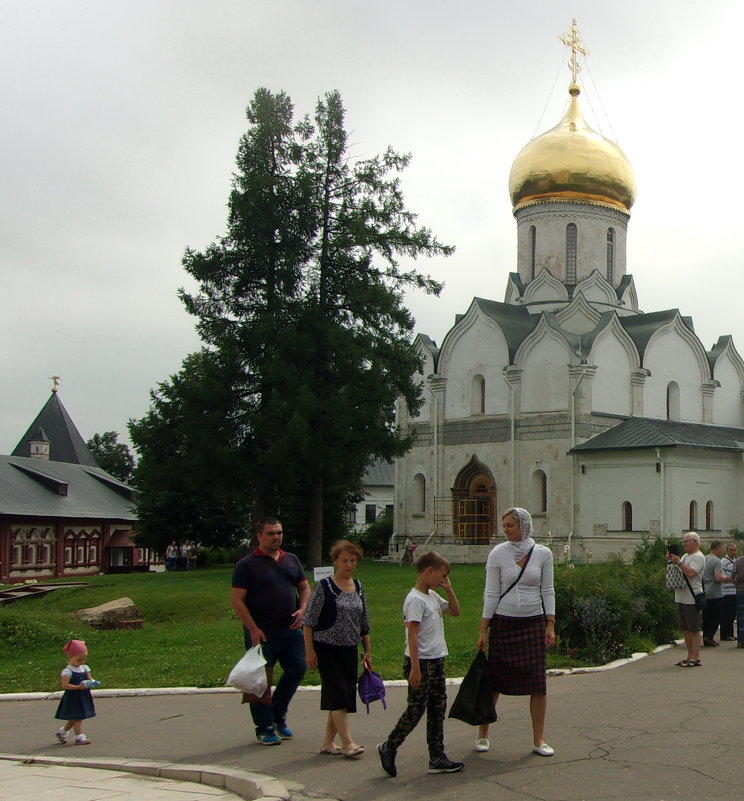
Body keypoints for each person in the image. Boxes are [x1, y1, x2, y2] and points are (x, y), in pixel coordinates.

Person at [476, 507, 556, 757]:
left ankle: (538, 739)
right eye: (504, 525)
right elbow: (491, 592)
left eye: (510, 525)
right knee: (494, 683)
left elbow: (548, 590)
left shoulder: (543, 554)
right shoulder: (498, 554)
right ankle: (483, 734)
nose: (506, 529)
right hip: (504, 622)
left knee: (538, 684)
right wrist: (483, 630)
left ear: (524, 526)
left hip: (532, 623)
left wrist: (550, 623)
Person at [377, 550, 463, 777]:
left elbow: (455, 611)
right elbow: (412, 636)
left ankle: (437, 756)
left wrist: (448, 589)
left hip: (437, 660)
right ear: (428, 571)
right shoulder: (415, 599)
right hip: (421, 663)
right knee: (416, 710)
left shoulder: (433, 597)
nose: (442, 580)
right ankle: (390, 746)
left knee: (437, 709)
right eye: (441, 576)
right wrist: (415, 669)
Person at [231, 517, 310, 745]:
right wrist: (253, 628)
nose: (276, 537)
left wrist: (302, 609)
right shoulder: (246, 565)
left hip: (291, 629)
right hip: (262, 632)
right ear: (259, 536)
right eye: (271, 534)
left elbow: (304, 588)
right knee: (260, 680)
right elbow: (237, 600)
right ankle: (264, 727)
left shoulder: (291, 560)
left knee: (297, 668)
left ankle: (278, 714)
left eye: (279, 533)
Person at [303, 540, 371, 757]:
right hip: (326, 647)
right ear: (335, 562)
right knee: (338, 692)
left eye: (353, 560)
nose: (349, 565)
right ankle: (348, 742)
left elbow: (364, 622)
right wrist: (310, 651)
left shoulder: (358, 586)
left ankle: (327, 743)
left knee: (343, 694)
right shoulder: (324, 587)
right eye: (345, 561)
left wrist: (367, 649)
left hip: (350, 647)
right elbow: (309, 621)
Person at [665, 531, 706, 666]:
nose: (684, 544)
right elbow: (678, 571)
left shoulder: (699, 557)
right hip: (681, 595)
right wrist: (671, 560)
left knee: (694, 628)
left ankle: (696, 657)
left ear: (695, 542)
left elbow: (690, 573)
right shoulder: (684, 556)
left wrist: (679, 562)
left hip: (691, 597)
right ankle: (689, 655)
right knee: (685, 628)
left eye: (686, 542)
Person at [54, 639, 100, 745]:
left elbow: (89, 678)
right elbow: (65, 685)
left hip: (83, 695)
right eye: (79, 660)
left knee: (75, 716)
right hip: (73, 696)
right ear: (70, 657)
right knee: (77, 717)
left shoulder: (84, 668)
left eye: (84, 659)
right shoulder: (68, 671)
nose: (82, 662)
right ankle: (79, 737)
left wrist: (92, 682)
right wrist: (78, 687)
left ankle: (62, 732)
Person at [702, 540, 726, 647]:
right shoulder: (717, 561)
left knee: (706, 616)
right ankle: (709, 636)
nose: (721, 551)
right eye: (721, 548)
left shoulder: (704, 559)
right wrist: (725, 578)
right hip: (715, 593)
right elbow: (717, 577)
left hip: (705, 591)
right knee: (717, 615)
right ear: (717, 548)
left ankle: (705, 638)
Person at [720, 542, 738, 641]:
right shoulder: (723, 561)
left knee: (732, 614)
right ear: (727, 551)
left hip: (734, 591)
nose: (733, 552)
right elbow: (721, 575)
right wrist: (732, 579)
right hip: (726, 592)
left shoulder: (736, 561)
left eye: (734, 550)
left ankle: (730, 634)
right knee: (726, 614)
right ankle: (725, 635)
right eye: (731, 550)